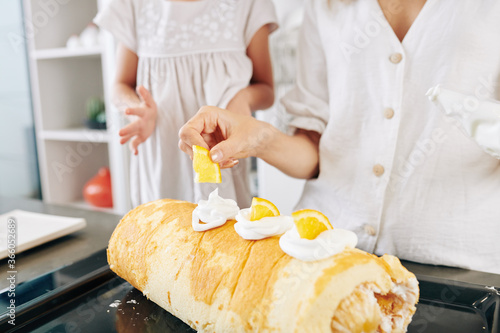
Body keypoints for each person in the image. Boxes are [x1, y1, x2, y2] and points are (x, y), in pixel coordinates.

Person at [179, 0, 500, 274]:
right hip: (324, 248)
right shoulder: (327, 6)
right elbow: (315, 152)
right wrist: (261, 139)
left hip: (460, 266)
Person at [94, 0, 278, 207]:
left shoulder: (250, 4)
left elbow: (266, 89)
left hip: (222, 160)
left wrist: (242, 99)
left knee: (223, 232)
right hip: (161, 163)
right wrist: (136, 111)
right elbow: (120, 85)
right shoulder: (134, 4)